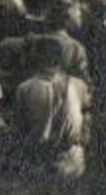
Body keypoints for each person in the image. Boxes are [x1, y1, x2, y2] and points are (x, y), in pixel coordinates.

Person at [8, 35, 89, 179]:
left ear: (35, 58)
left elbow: (18, 128)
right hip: (74, 164)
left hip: (37, 163)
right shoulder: (79, 85)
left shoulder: (25, 88)